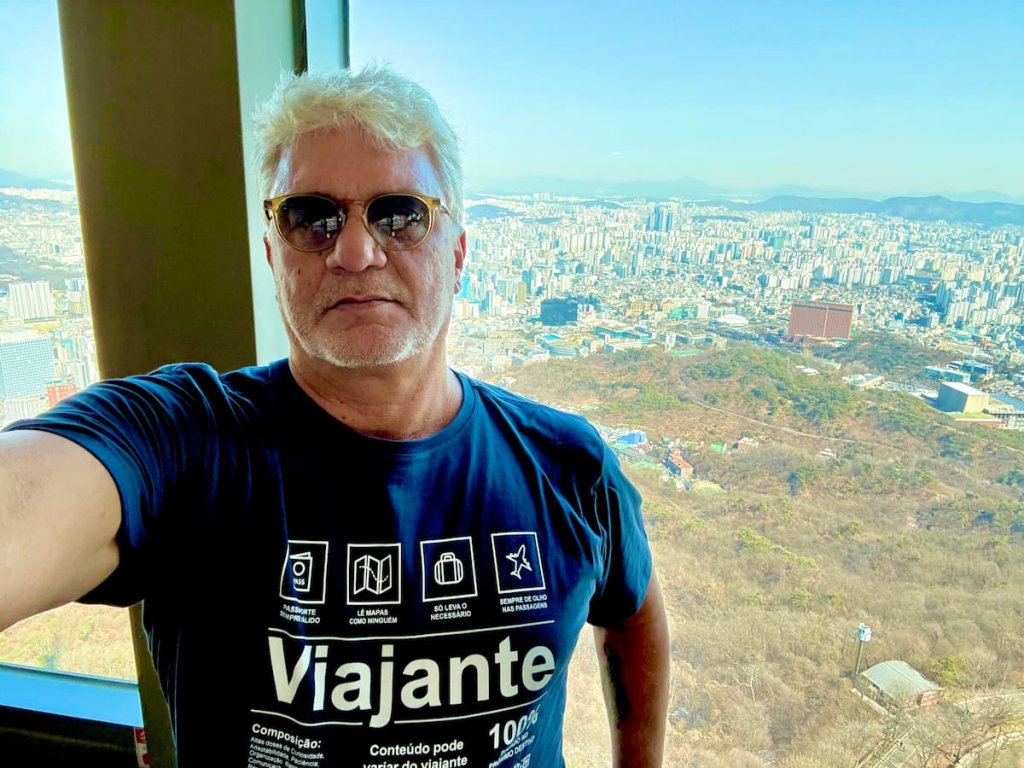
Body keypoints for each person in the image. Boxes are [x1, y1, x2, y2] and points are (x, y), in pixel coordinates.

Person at [0, 65, 669, 767]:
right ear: (274, 257)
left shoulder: (566, 464)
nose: (354, 252)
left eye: (399, 214)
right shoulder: (187, 445)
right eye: (310, 217)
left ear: (458, 252)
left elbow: (633, 610)